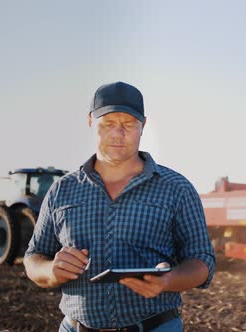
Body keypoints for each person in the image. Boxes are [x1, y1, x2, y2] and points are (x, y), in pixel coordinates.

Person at [24, 81, 216, 332]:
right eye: (108, 124)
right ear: (91, 121)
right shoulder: (61, 189)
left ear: (143, 126)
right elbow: (33, 257)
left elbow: (202, 261)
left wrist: (168, 280)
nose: (117, 134)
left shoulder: (176, 188)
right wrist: (51, 269)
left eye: (128, 125)